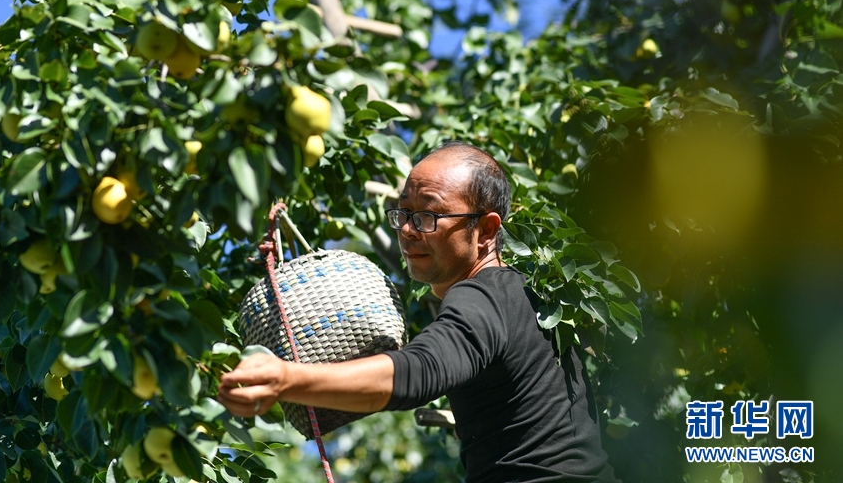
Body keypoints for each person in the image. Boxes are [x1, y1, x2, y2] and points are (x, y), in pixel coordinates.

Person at [219, 141, 620, 482]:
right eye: (404, 213)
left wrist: (285, 378)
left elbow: (420, 371)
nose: (408, 230)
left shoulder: (483, 296)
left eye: (428, 215)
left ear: (486, 230)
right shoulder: (527, 296)